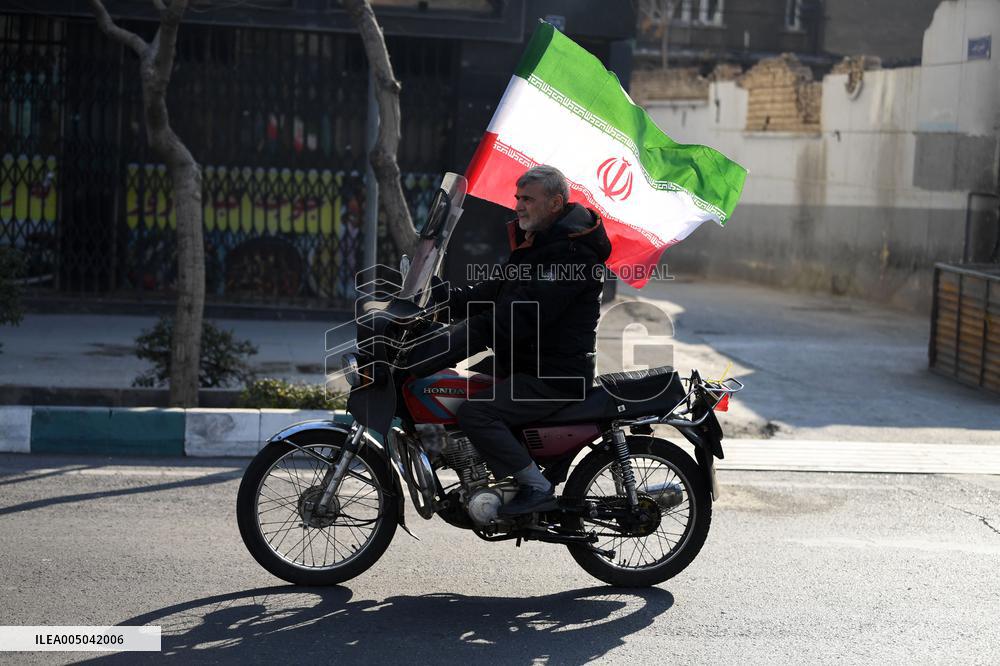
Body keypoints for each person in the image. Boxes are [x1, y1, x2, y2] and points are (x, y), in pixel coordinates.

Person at [406, 165, 612, 515]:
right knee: (456, 391)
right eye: (517, 198)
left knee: (477, 413)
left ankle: (536, 486)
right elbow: (492, 292)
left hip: (554, 375)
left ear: (555, 203)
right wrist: (437, 301)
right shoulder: (539, 245)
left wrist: (461, 338)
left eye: (528, 199)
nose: (518, 205)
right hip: (525, 364)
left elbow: (522, 316)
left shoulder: (572, 255)